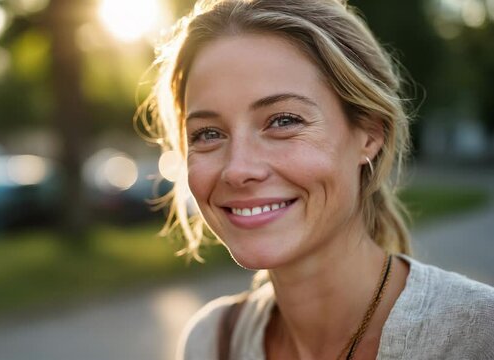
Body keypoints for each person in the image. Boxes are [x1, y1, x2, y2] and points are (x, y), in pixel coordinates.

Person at [137, 0, 494, 359]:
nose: (238, 169)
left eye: (283, 121)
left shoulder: (478, 336)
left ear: (369, 135)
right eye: (209, 133)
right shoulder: (211, 342)